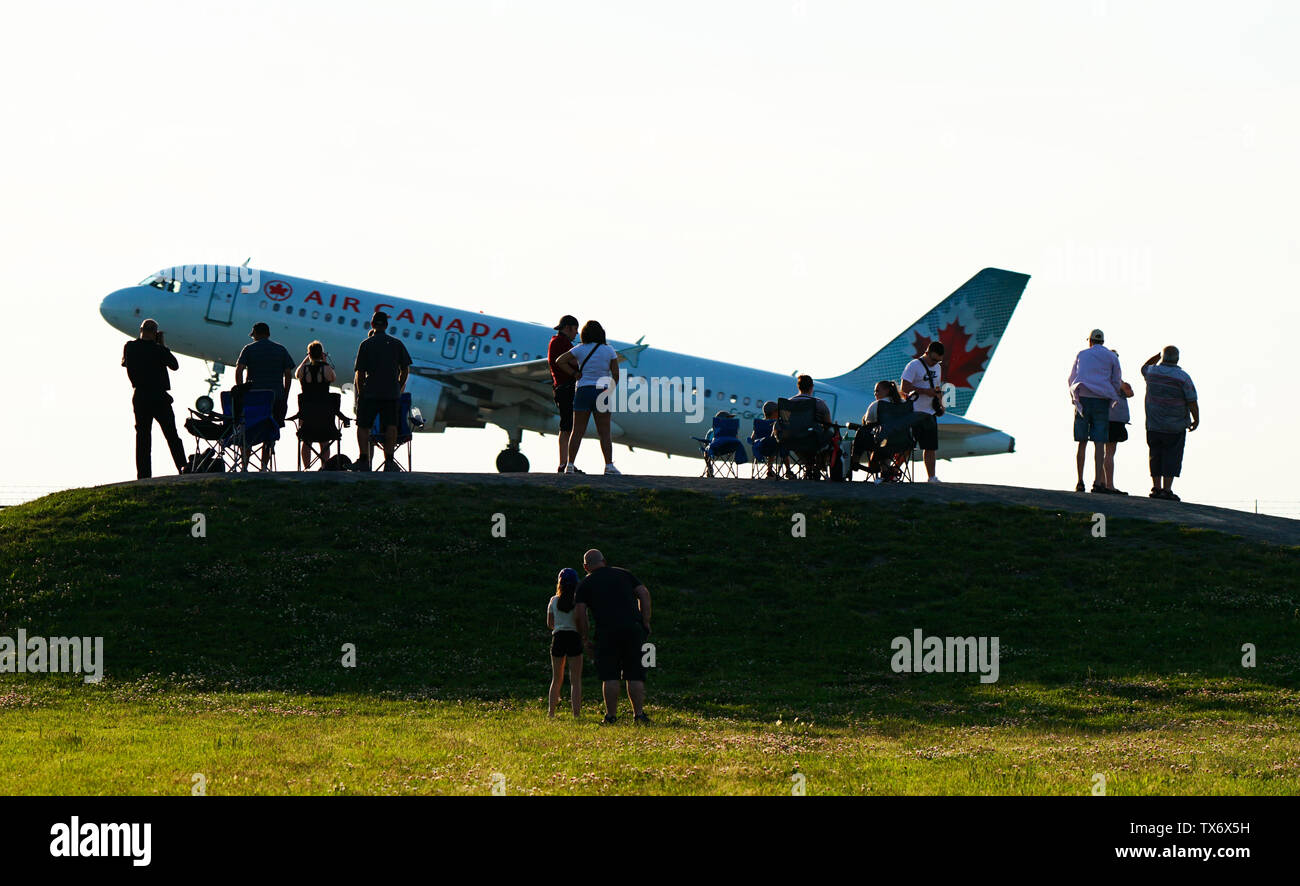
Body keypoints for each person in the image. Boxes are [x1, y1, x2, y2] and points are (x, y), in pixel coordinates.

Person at [573, 549, 652, 725]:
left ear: (585, 567)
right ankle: (639, 715)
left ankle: (611, 716)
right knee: (635, 674)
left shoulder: (586, 584)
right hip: (633, 629)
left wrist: (585, 637)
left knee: (610, 675)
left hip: (607, 632)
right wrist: (645, 621)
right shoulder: (624, 574)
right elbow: (644, 594)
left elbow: (579, 614)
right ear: (604, 561)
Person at [120, 318, 188, 479]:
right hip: (159, 396)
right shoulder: (158, 350)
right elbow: (174, 365)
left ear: (141, 329)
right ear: (156, 333)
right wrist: (162, 345)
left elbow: (125, 363)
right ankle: (183, 467)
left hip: (140, 395)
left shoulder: (130, 347)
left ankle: (143, 476)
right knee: (171, 435)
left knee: (143, 437)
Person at [555, 321, 621, 475]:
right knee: (604, 432)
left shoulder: (580, 349)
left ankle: (569, 465)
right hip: (601, 392)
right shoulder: (609, 350)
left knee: (577, 431)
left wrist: (574, 374)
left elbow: (560, 361)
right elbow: (616, 374)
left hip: (583, 390)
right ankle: (609, 466)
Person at [353, 311, 412, 472]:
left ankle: (363, 460)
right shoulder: (396, 344)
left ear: (372, 325)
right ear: (386, 325)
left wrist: (361, 392)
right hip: (391, 393)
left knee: (363, 426)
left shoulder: (366, 344)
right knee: (391, 426)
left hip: (370, 392)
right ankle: (390, 461)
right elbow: (405, 368)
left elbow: (359, 372)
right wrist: (398, 386)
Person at [1067, 329, 1124, 493]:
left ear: (1090, 341)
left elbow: (1072, 377)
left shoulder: (1082, 354)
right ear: (1103, 342)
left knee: (1082, 442)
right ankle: (1098, 482)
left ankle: (1080, 481)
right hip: (1101, 400)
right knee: (1099, 443)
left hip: (1083, 398)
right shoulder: (1112, 357)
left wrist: (1074, 397)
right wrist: (1111, 394)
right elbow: (1116, 379)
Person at [1141, 346, 1199, 501]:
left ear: (1162, 358)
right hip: (1175, 425)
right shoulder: (1183, 377)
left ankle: (1156, 488)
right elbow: (1192, 400)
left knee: (1155, 455)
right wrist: (1196, 419)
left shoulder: (1152, 373)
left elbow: (1143, 367)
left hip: (1154, 423)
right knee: (1171, 457)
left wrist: (1156, 356)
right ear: (1177, 359)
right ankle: (1167, 490)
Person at [235, 322, 295, 469]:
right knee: (269, 433)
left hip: (252, 399)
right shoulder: (281, 350)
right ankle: (264, 467)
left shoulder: (248, 349)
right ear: (268, 334)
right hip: (275, 399)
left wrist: (241, 389)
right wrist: (285, 395)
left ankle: (244, 466)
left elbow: (239, 370)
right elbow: (288, 374)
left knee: (248, 431)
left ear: (255, 334)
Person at [294, 341, 349, 467]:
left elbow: (297, 374)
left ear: (309, 354)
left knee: (306, 441)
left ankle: (306, 467)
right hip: (325, 414)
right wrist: (324, 361)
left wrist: (306, 360)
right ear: (321, 354)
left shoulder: (304, 370)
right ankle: (324, 466)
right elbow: (333, 377)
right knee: (324, 441)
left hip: (307, 413)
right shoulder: (326, 369)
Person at [900, 342, 945, 482]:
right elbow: (904, 389)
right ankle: (892, 471)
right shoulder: (913, 365)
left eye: (938, 361)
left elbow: (937, 387)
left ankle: (931, 477)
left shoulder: (938, 367)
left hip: (930, 412)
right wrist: (925, 391)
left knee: (930, 447)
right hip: (913, 412)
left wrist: (941, 404)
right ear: (927, 352)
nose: (935, 363)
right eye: (933, 359)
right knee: (906, 446)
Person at [547, 567, 584, 718]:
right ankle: (576, 714)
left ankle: (551, 713)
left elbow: (550, 623)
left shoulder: (554, 600)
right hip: (574, 637)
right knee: (575, 679)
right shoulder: (578, 602)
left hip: (558, 637)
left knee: (556, 678)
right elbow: (581, 621)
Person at [851, 379, 904, 479]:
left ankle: (855, 460)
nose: (875, 393)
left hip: (882, 443)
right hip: (902, 442)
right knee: (886, 440)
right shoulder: (904, 403)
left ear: (887, 391)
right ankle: (885, 470)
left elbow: (867, 421)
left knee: (862, 431)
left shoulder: (878, 404)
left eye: (877, 391)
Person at [548, 315, 580, 473]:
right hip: (566, 388)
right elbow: (575, 362)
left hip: (561, 388)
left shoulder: (557, 341)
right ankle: (565, 465)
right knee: (567, 427)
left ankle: (566, 464)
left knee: (567, 426)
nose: (577, 334)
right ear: (568, 328)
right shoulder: (562, 342)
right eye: (575, 330)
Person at [1103, 349, 1134, 496]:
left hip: (1105, 417)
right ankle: (1109, 484)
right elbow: (1129, 392)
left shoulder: (1100, 378)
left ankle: (1102, 482)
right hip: (1114, 419)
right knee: (1109, 452)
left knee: (1103, 452)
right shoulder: (1115, 379)